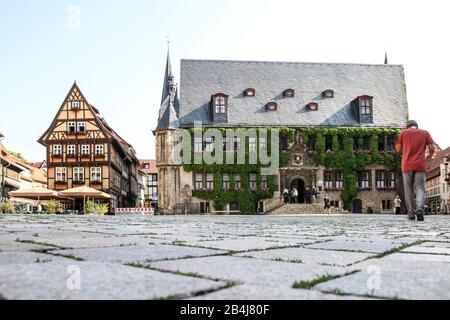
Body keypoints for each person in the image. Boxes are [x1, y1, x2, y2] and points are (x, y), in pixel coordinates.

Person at [396, 120, 435, 221]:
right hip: (420, 165)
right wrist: (429, 156)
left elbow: (398, 149)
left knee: (408, 189)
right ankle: (420, 209)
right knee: (420, 188)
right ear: (416, 126)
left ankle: (411, 213)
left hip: (406, 165)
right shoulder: (425, 133)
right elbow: (431, 148)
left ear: (407, 127)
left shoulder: (403, 133)